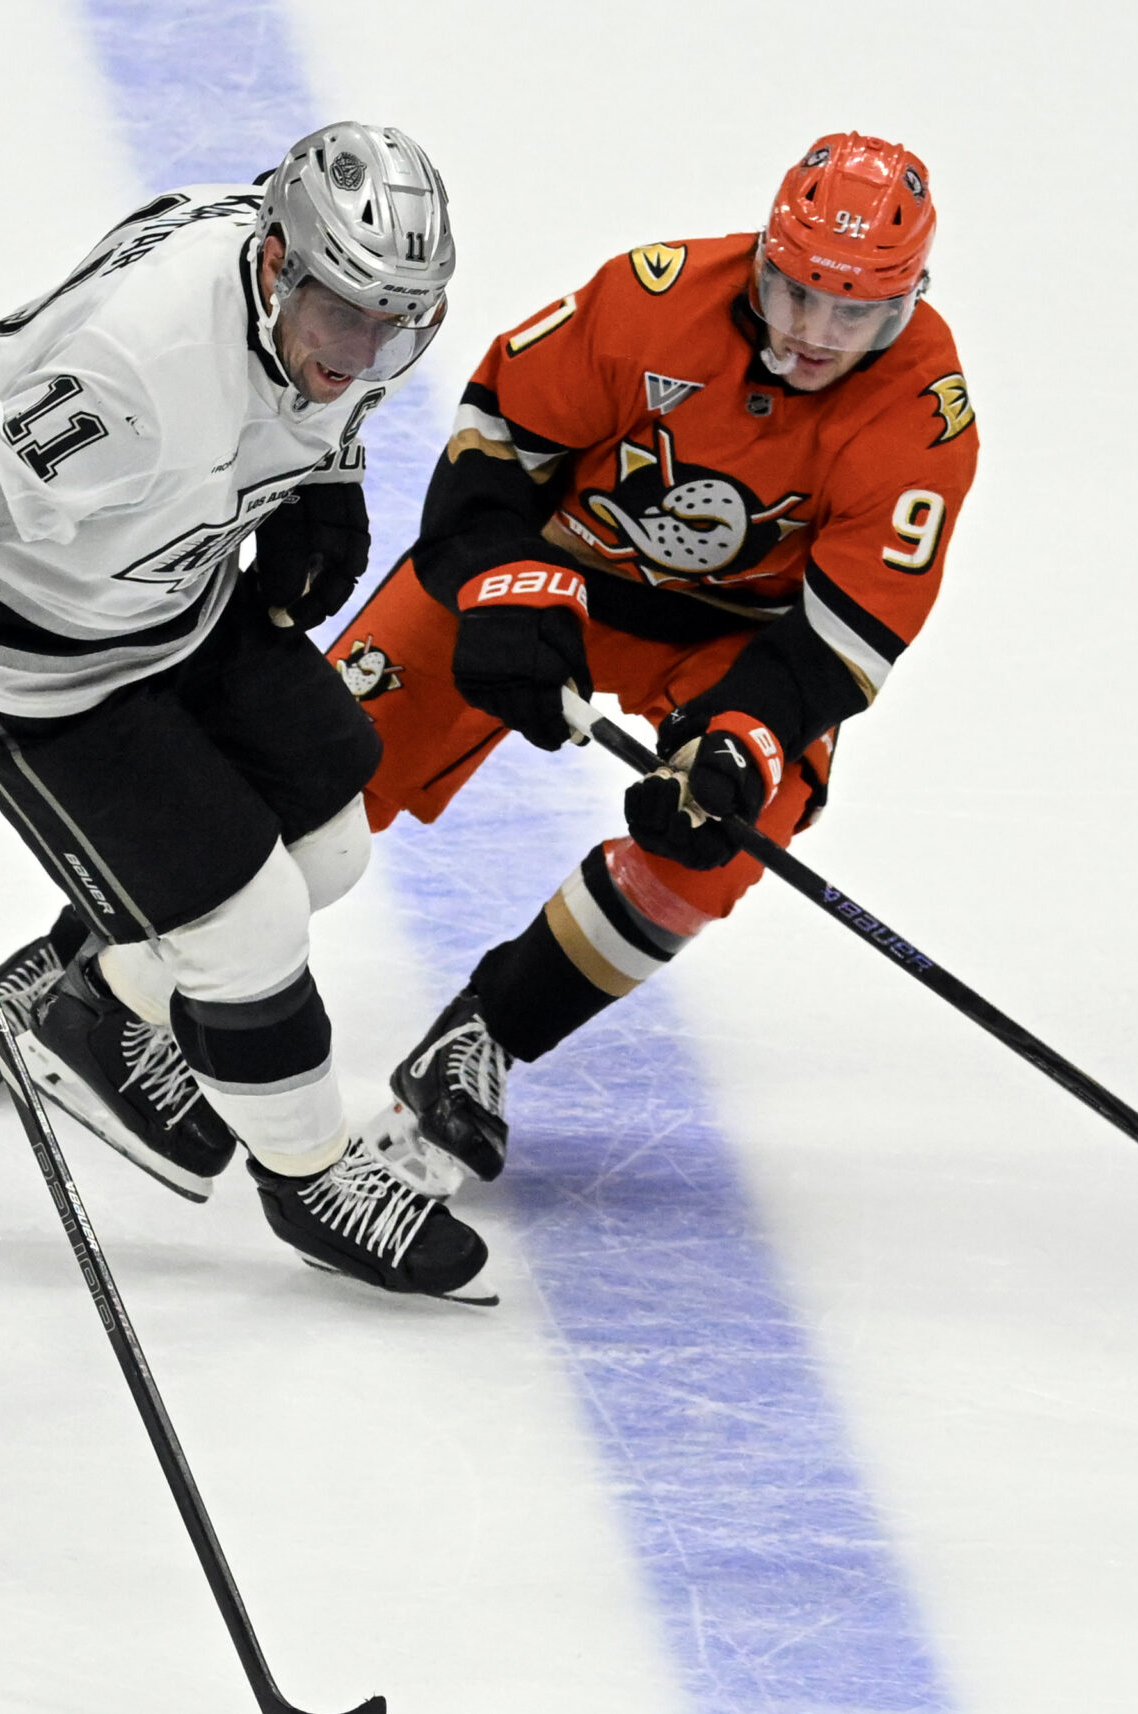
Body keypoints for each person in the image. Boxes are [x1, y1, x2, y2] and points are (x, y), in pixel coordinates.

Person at [0, 123, 491, 1302]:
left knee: (329, 842)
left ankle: (90, 1000)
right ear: (278, 262)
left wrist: (322, 476)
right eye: (343, 311)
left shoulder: (319, 298)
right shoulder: (142, 372)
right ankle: (308, 1176)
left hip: (180, 600)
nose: (366, 349)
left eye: (398, 321)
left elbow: (328, 372)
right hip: (44, 669)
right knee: (250, 927)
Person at [336, 132, 980, 1192]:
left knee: (729, 831)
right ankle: (100, 954)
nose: (814, 334)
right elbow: (490, 440)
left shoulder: (923, 419)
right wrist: (503, 586)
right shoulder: (651, 300)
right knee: (321, 751)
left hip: (732, 642)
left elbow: (845, 634)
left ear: (904, 302)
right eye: (796, 294)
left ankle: (479, 1041)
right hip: (557, 575)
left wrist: (743, 735)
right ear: (765, 260)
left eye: (852, 311)